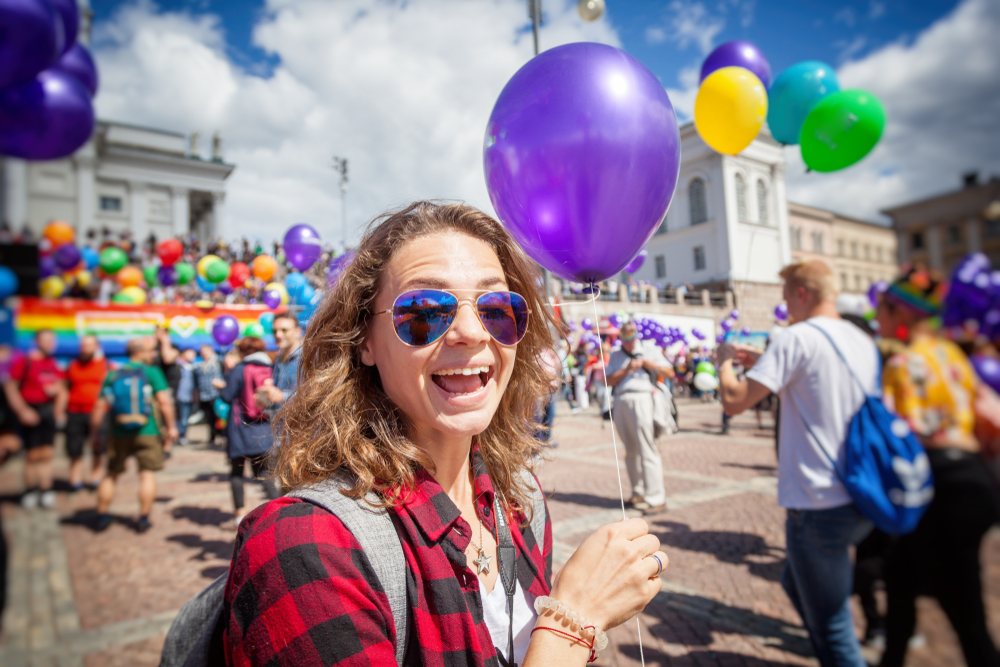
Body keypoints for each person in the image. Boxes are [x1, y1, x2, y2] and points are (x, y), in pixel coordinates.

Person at [223, 202, 667, 667]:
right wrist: (574, 622)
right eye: (424, 311)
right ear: (365, 341)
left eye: (497, 308)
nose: (472, 332)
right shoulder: (304, 544)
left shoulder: (521, 503)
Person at [716, 260, 877, 667]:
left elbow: (734, 402)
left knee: (834, 630)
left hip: (817, 499)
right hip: (860, 490)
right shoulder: (860, 338)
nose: (784, 304)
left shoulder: (794, 338)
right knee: (795, 580)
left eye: (786, 294)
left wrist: (723, 361)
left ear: (802, 293)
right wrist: (764, 360)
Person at [875, 265, 1000, 667]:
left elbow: (898, 431)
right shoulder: (953, 354)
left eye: (884, 311)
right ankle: (892, 657)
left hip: (942, 486)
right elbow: (987, 414)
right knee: (901, 579)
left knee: (965, 609)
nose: (878, 318)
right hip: (972, 477)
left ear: (901, 315)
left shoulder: (903, 363)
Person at [91, 336, 178, 533]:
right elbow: (164, 402)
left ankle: (102, 515)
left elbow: (99, 406)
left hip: (118, 431)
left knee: (111, 474)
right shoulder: (151, 372)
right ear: (139, 353)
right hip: (147, 430)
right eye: (149, 351)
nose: (152, 354)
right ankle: (143, 519)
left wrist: (95, 433)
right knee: (147, 474)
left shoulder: (113, 374)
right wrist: (171, 426)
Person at [605, 323, 675, 515]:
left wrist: (651, 365)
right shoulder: (617, 355)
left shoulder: (650, 349)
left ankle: (656, 497)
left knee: (647, 447)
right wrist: (627, 369)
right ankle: (638, 492)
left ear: (636, 336)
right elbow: (607, 380)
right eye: (625, 339)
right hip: (621, 399)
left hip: (643, 397)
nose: (628, 343)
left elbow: (670, 372)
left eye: (631, 338)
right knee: (630, 450)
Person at [219, 336, 280, 529]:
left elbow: (227, 396)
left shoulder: (239, 369)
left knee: (236, 473)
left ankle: (239, 516)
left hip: (240, 428)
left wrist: (227, 373)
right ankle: (278, 514)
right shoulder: (269, 367)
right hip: (262, 427)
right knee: (264, 474)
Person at [7, 329, 66, 509]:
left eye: (52, 340)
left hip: (47, 412)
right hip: (30, 410)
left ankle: (46, 489)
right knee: (32, 455)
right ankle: (30, 490)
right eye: (46, 340)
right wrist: (22, 410)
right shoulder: (24, 361)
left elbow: (61, 385)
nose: (50, 343)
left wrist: (57, 403)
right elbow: (10, 387)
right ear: (37, 341)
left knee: (47, 454)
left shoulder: (52, 362)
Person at [66, 335, 109, 491]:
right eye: (83, 345)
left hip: (98, 412)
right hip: (75, 411)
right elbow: (65, 387)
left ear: (96, 346)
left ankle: (96, 476)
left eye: (90, 345)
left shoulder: (105, 365)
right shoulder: (73, 365)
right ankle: (75, 479)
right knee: (74, 447)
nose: (86, 348)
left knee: (98, 445)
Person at [252, 311, 302, 420]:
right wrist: (266, 398)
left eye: (284, 330)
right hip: (280, 426)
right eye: (275, 331)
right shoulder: (278, 358)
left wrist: (283, 396)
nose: (278, 335)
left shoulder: (308, 357)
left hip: (301, 428)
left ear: (298, 331)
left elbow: (317, 393)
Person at [193, 344, 224, 444]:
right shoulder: (199, 365)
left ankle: (222, 435)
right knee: (209, 417)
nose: (204, 354)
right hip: (204, 395)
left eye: (206, 352)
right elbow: (197, 381)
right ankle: (213, 436)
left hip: (216, 394)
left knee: (219, 417)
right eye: (202, 353)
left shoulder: (219, 362)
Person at [175, 348, 196, 445]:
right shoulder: (178, 364)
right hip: (179, 395)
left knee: (185, 418)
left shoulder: (192, 367)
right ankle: (179, 436)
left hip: (189, 396)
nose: (193, 356)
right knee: (179, 418)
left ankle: (182, 436)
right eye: (191, 354)